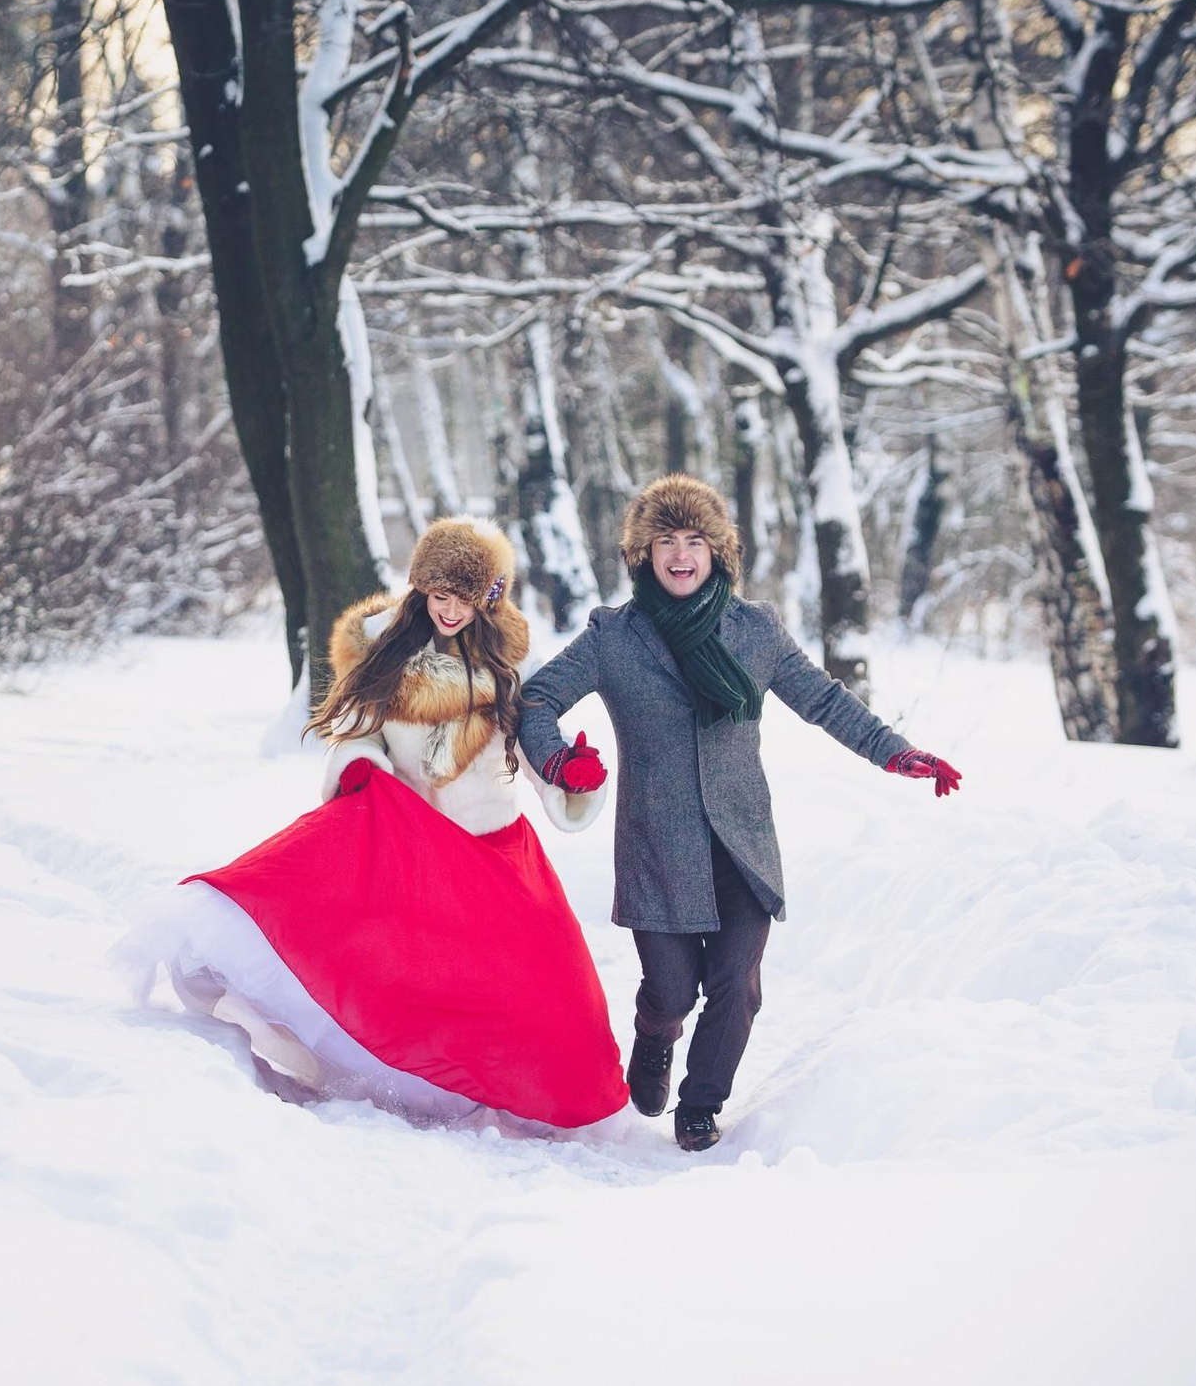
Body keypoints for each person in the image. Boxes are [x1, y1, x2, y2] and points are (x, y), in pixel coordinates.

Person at [118, 518, 628, 1129]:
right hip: (409, 842)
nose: (450, 610)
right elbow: (355, 738)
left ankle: (540, 1094)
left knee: (555, 988)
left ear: (487, 600)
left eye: (464, 598)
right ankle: (414, 1081)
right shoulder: (386, 657)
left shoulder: (507, 667)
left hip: (493, 848)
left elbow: (527, 745)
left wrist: (569, 775)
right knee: (391, 968)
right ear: (420, 590)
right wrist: (367, 773)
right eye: (439, 594)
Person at [519, 475, 962, 1152]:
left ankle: (702, 1102)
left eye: (695, 541)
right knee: (671, 990)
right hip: (657, 846)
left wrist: (896, 753)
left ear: (719, 553)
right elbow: (537, 700)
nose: (680, 556)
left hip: (742, 843)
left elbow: (825, 700)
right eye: (665, 541)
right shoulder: (616, 637)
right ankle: (656, 1033)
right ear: (643, 554)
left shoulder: (754, 632)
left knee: (737, 986)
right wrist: (559, 765)